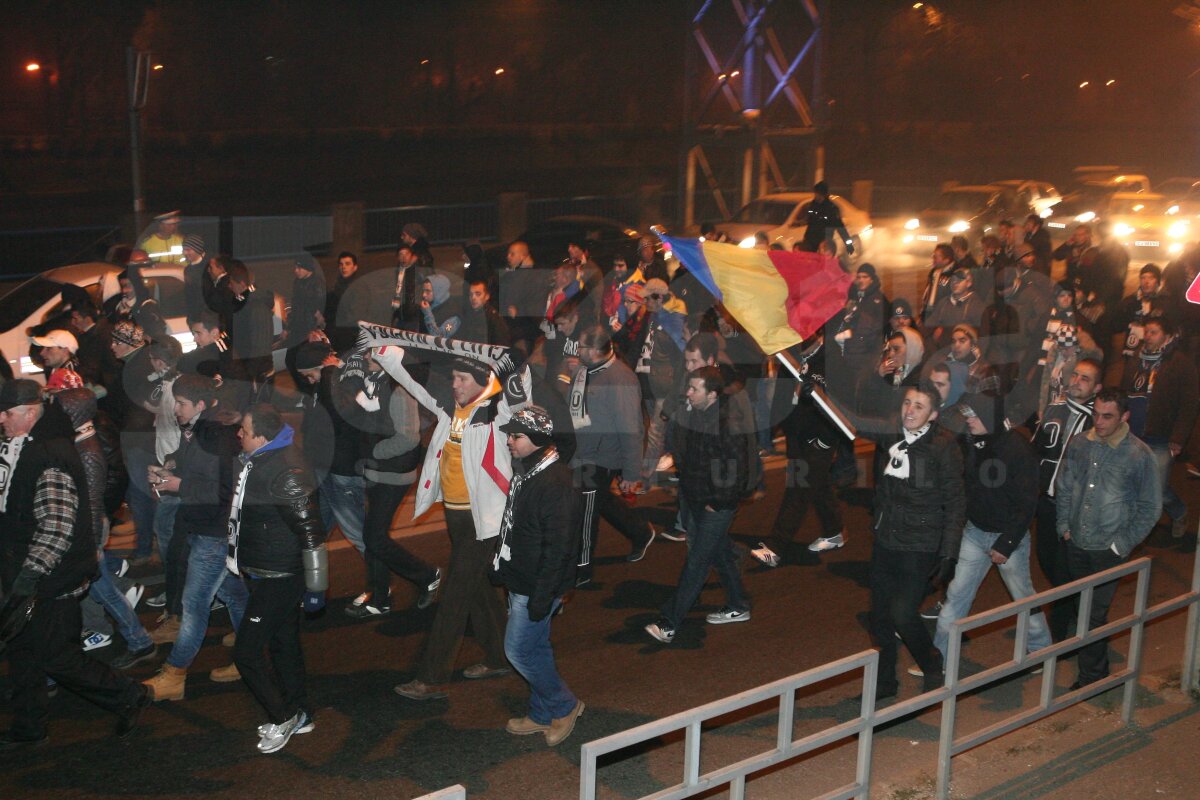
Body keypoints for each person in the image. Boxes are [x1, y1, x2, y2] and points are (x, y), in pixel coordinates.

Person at [0, 380, 152, 749]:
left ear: (31, 412)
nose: (1, 419)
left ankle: (129, 694)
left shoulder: (51, 453)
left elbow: (57, 524)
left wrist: (30, 575)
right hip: (26, 570)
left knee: (56, 656)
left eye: (7, 413)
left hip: (49, 575)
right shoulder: (23, 445)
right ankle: (28, 727)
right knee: (22, 650)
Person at [374, 349, 522, 700]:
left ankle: (433, 676)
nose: (454, 385)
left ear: (482, 382)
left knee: (455, 592)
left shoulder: (495, 414)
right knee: (477, 587)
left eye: (462, 379)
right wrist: (386, 353)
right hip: (455, 513)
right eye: (453, 378)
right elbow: (413, 381)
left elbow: (521, 391)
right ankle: (500, 656)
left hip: (482, 517)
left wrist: (513, 364)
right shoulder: (453, 408)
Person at [228, 404, 327, 753]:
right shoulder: (261, 461)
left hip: (280, 573)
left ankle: (283, 716)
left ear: (262, 436)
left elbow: (312, 531)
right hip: (267, 569)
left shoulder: (285, 469)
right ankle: (300, 711)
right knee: (284, 644)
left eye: (244, 429)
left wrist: (316, 586)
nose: (239, 434)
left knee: (247, 651)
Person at [142, 375, 247, 701]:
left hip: (212, 532)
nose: (175, 409)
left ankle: (175, 674)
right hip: (203, 527)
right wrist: (170, 466)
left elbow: (220, 491)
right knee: (234, 594)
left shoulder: (213, 435)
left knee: (194, 604)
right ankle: (251, 652)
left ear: (200, 404)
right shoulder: (202, 428)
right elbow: (192, 464)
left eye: (181, 404)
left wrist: (177, 485)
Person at [860, 384, 965, 701]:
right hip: (886, 539)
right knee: (879, 616)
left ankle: (931, 662)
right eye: (907, 403)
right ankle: (885, 683)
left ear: (933, 415)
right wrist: (818, 396)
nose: (910, 410)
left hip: (920, 544)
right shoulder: (892, 436)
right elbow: (849, 420)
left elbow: (956, 503)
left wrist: (949, 554)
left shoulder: (943, 447)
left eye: (919, 406)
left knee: (903, 613)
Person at [929, 393, 1048, 669]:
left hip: (1008, 538)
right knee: (956, 595)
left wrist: (1006, 543)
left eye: (974, 415)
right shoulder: (972, 444)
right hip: (975, 532)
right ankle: (938, 659)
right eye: (967, 414)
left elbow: (1027, 501)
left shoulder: (1017, 450)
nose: (968, 420)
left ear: (991, 417)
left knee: (1023, 596)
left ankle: (1041, 651)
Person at [1055, 389, 1161, 689]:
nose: (1098, 422)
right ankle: (1094, 664)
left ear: (1125, 416)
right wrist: (1064, 525)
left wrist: (1122, 543)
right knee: (1083, 609)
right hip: (1076, 543)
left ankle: (1092, 677)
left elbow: (1150, 507)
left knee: (1092, 614)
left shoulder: (1139, 454)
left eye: (1107, 416)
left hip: (1107, 549)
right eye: (1095, 414)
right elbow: (1064, 486)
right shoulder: (1079, 444)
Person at [493, 407, 585, 746]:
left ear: (536, 440)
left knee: (518, 651)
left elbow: (559, 549)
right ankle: (542, 713)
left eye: (515, 436)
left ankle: (564, 704)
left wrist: (542, 597)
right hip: (524, 580)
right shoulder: (530, 471)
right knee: (537, 647)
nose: (509, 441)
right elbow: (518, 527)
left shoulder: (555, 483)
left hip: (537, 586)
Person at [645, 366, 752, 644]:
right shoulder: (693, 414)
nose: (688, 393)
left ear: (713, 395)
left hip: (715, 506)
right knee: (717, 554)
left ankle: (669, 622)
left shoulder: (728, 424)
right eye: (688, 387)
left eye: (694, 389)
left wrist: (718, 503)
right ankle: (739, 604)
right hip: (694, 498)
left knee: (698, 561)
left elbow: (736, 470)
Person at [571, 325, 654, 584]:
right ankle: (639, 531)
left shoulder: (620, 379)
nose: (577, 350)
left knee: (584, 511)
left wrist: (631, 472)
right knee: (598, 500)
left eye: (581, 346)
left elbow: (631, 428)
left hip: (601, 457)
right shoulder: (588, 371)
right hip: (583, 450)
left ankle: (580, 569)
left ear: (595, 351)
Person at [1032, 358, 1101, 641]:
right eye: (1075, 375)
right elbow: (1036, 447)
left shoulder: (1097, 421)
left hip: (1072, 509)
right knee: (1045, 559)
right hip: (1045, 502)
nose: (1076, 381)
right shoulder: (1055, 408)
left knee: (1061, 571)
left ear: (1097, 387)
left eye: (1085, 378)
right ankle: (1076, 607)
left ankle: (1058, 636)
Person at [1120, 316, 1199, 538]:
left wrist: (1178, 438)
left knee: (1158, 489)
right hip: (1134, 434)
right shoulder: (1137, 360)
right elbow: (1125, 391)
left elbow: (1189, 404)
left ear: (1167, 335)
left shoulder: (1180, 363)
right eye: (1147, 331)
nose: (1148, 336)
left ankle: (1178, 511)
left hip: (1161, 438)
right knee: (1131, 481)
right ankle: (1134, 528)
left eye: (1153, 332)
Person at [800, 181, 854, 259]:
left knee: (821, 264)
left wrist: (849, 245)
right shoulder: (813, 205)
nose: (815, 195)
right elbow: (810, 221)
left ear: (821, 194)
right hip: (810, 241)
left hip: (823, 244)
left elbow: (841, 228)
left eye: (816, 193)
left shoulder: (831, 209)